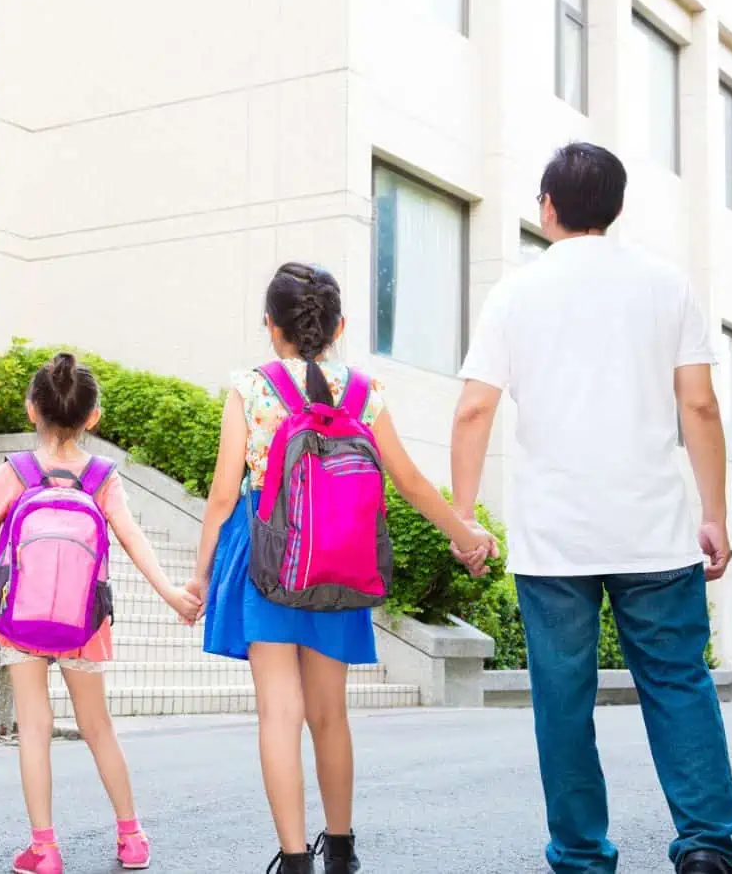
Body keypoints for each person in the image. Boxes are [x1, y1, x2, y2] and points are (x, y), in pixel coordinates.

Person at [448, 143, 732, 874]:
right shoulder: (665, 284)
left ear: (547, 207)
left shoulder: (515, 293)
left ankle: (581, 855)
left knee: (562, 702)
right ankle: (706, 844)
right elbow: (701, 405)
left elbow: (472, 411)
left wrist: (463, 516)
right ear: (613, 209)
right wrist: (716, 512)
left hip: (556, 539)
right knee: (679, 684)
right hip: (654, 532)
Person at [183, 263, 498, 874]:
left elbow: (224, 494)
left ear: (270, 326)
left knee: (280, 712)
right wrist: (466, 533)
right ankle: (343, 850)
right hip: (339, 563)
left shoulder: (251, 388)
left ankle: (295, 860)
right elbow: (406, 480)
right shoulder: (363, 392)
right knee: (330, 712)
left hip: (268, 561)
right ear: (340, 327)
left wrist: (199, 575)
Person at [0, 352, 201, 874]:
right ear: (91, 418)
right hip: (84, 619)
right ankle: (131, 837)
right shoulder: (102, 477)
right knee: (98, 726)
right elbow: (133, 539)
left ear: (33, 410)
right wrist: (170, 592)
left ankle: (45, 849)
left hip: (18, 619)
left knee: (34, 726)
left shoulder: (17, 472)